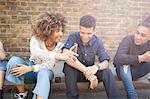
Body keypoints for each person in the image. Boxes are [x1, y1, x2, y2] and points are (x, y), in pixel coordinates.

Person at [6, 12, 76, 99]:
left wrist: (31, 68)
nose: (61, 34)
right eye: (57, 31)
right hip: (30, 72)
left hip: (45, 74)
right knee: (14, 61)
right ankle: (22, 94)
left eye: (62, 31)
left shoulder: (60, 47)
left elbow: (49, 66)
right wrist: (55, 55)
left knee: (44, 72)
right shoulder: (36, 39)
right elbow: (35, 54)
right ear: (48, 31)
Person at [63, 15, 121, 99]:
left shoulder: (98, 41)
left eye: (89, 33)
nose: (85, 36)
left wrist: (96, 67)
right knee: (68, 67)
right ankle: (73, 97)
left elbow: (106, 62)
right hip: (77, 73)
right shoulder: (73, 37)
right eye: (82, 32)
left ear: (94, 31)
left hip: (91, 71)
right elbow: (65, 54)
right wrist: (86, 71)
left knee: (107, 72)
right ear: (79, 29)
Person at [114, 16, 150, 99]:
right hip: (124, 72)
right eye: (137, 33)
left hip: (138, 72)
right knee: (124, 63)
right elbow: (117, 58)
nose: (138, 37)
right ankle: (132, 95)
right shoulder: (128, 40)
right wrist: (140, 58)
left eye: (143, 35)